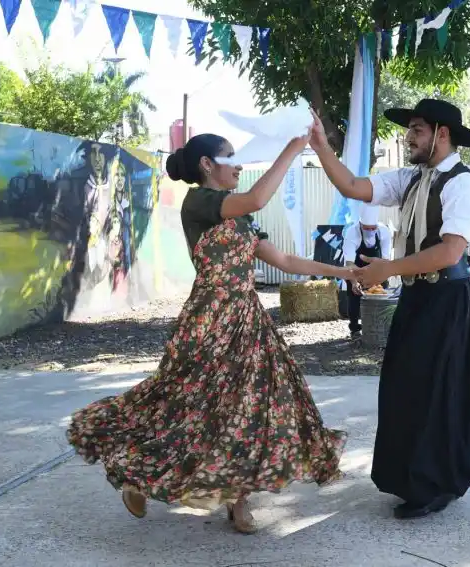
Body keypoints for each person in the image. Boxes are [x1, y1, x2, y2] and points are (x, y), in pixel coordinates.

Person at [66, 132, 350, 534]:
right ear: (206, 165)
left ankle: (239, 500)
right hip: (210, 321)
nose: (237, 164)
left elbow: (284, 259)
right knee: (185, 408)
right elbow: (255, 197)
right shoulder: (199, 202)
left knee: (248, 410)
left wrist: (344, 272)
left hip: (249, 321)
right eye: (229, 157)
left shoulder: (240, 217)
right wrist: (292, 148)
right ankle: (135, 473)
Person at [310, 99, 470, 519]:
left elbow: (450, 252)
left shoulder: (465, 185)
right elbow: (354, 187)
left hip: (450, 300)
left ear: (442, 134)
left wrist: (388, 267)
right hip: (418, 297)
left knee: (439, 393)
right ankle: (415, 479)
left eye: (416, 129)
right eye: (410, 129)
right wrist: (322, 147)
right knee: (406, 389)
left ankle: (437, 484)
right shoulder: (412, 178)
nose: (408, 136)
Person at [341, 203, 393, 338]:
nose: (370, 230)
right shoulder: (352, 232)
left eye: (373, 228)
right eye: (366, 228)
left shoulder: (384, 231)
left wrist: (380, 278)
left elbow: (386, 261)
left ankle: (379, 327)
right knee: (354, 297)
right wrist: (353, 282)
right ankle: (355, 329)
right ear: (360, 224)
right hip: (355, 269)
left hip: (378, 268)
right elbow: (349, 263)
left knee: (381, 297)